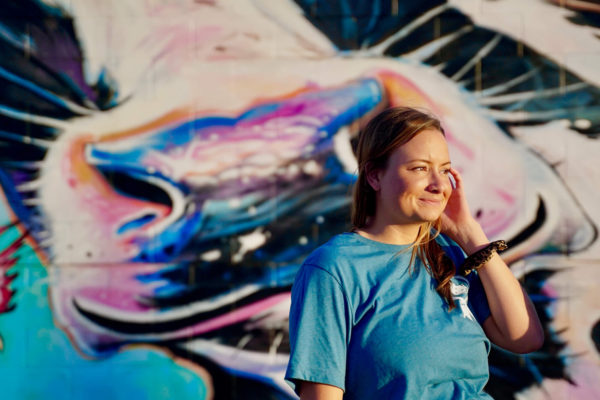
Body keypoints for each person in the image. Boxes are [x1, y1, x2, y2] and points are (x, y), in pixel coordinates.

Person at [284, 107, 544, 399]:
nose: (438, 185)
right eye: (420, 168)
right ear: (374, 176)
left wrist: (471, 235)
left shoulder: (453, 256)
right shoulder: (334, 268)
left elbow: (525, 337)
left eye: (444, 170)